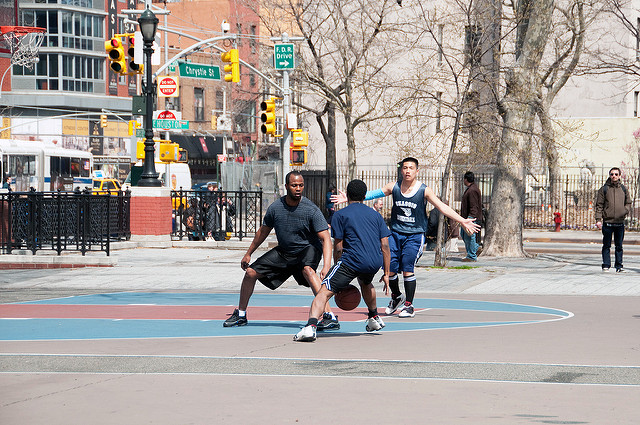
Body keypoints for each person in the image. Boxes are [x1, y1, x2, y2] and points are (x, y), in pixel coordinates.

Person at [332, 157, 480, 318]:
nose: (407, 170)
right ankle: (396, 297)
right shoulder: (394, 187)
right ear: (401, 170)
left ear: (417, 171)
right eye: (404, 168)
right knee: (390, 269)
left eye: (411, 168)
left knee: (407, 268)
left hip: (415, 235)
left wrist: (462, 220)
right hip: (395, 234)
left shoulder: (424, 190)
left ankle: (409, 305)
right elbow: (373, 194)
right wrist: (351, 198)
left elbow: (442, 207)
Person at [223, 171, 339, 328]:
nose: (298, 188)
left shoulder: (311, 209)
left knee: (308, 270)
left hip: (308, 249)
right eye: (294, 185)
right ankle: (241, 315)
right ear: (286, 186)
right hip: (285, 251)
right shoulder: (276, 208)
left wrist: (326, 266)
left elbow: (325, 238)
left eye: (300, 185)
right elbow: (262, 232)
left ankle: (329, 316)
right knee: (250, 273)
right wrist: (248, 254)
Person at [294, 179, 390, 342]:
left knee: (324, 291)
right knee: (366, 282)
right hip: (374, 262)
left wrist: (336, 267)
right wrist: (387, 273)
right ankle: (374, 317)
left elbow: (338, 247)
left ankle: (310, 327)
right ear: (365, 196)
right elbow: (385, 246)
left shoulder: (340, 215)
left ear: (348, 195)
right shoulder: (375, 215)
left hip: (352, 261)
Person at [595, 167, 631, 272]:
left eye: (616, 174)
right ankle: (606, 264)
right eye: (612, 174)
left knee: (619, 246)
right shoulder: (604, 189)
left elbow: (628, 202)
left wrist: (625, 211)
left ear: (619, 176)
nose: (614, 176)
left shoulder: (624, 189)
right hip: (608, 223)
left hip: (619, 223)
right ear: (610, 175)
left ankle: (619, 266)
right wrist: (598, 219)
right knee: (606, 245)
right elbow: (599, 205)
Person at [460, 171, 483, 261]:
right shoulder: (472, 188)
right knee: (464, 234)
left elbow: (474, 206)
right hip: (467, 218)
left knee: (469, 236)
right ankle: (475, 248)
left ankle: (472, 255)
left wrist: (471, 218)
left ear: (466, 179)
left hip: (471, 218)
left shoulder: (472, 190)